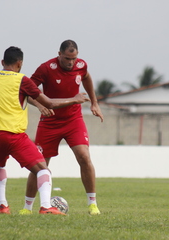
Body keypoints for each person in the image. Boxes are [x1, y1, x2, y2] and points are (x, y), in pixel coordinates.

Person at [0, 46, 89, 215]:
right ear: (20, 64)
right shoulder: (21, 80)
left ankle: (3, 205)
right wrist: (74, 99)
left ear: (2, 62)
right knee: (43, 170)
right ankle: (46, 206)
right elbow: (50, 103)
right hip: (13, 137)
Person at [19, 40, 104, 216]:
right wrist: (40, 106)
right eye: (67, 58)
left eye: (73, 58)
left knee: (84, 156)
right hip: (49, 122)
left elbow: (86, 77)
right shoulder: (46, 68)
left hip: (74, 120)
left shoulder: (81, 65)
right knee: (39, 164)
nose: (71, 62)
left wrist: (94, 103)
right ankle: (27, 208)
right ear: (59, 54)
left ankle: (92, 205)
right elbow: (27, 90)